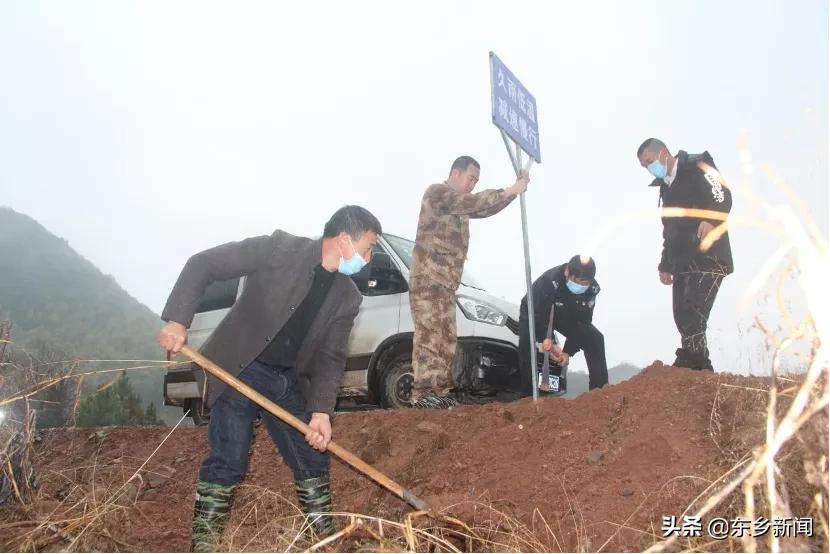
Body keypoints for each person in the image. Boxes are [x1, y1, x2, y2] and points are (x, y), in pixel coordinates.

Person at [157, 206, 382, 551]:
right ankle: (204, 546)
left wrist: (321, 411)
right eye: (367, 248)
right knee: (228, 460)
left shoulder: (347, 297)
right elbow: (204, 264)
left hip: (285, 380)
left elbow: (331, 357)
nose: (368, 259)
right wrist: (177, 320)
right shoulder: (279, 249)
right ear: (342, 240)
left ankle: (324, 540)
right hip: (238, 368)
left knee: (312, 458)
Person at [409, 155, 530, 408]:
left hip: (446, 284)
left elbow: (482, 209)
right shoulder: (438, 193)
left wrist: (512, 194)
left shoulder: (460, 210)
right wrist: (509, 189)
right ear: (455, 173)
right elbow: (475, 203)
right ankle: (423, 393)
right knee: (430, 336)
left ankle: (440, 392)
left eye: (476, 181)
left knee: (447, 337)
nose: (472, 184)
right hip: (428, 279)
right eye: (471, 178)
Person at [636, 138, 733, 370]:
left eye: (649, 161)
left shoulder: (698, 164)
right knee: (681, 314)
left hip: (708, 256)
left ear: (663, 153)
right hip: (681, 262)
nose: (649, 168)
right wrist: (665, 264)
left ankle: (697, 364)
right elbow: (669, 230)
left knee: (693, 312)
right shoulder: (666, 187)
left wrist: (711, 218)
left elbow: (722, 193)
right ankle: (694, 363)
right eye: (644, 166)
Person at [518, 255, 608, 395]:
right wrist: (548, 341)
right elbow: (540, 315)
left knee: (594, 337)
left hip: (565, 313)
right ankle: (527, 395)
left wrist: (567, 352)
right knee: (527, 344)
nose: (583, 286)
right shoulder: (550, 282)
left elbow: (583, 323)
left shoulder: (592, 290)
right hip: (534, 310)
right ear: (567, 273)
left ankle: (600, 393)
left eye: (587, 283)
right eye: (580, 282)